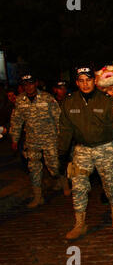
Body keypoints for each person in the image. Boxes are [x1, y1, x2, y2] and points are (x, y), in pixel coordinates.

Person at [58, 66, 113, 239]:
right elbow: (65, 129)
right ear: (77, 83)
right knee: (78, 186)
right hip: (81, 149)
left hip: (104, 148)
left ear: (94, 81)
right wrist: (61, 153)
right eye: (81, 81)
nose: (85, 84)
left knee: (110, 183)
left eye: (88, 80)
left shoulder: (106, 101)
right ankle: (80, 223)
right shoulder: (69, 102)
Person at [9, 74, 70, 208]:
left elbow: (58, 118)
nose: (29, 87)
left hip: (50, 139)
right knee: (34, 169)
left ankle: (63, 182)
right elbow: (16, 121)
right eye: (25, 85)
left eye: (31, 84)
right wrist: (15, 139)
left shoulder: (47, 98)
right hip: (32, 140)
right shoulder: (20, 101)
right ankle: (38, 197)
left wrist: (61, 137)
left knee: (54, 166)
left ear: (36, 84)